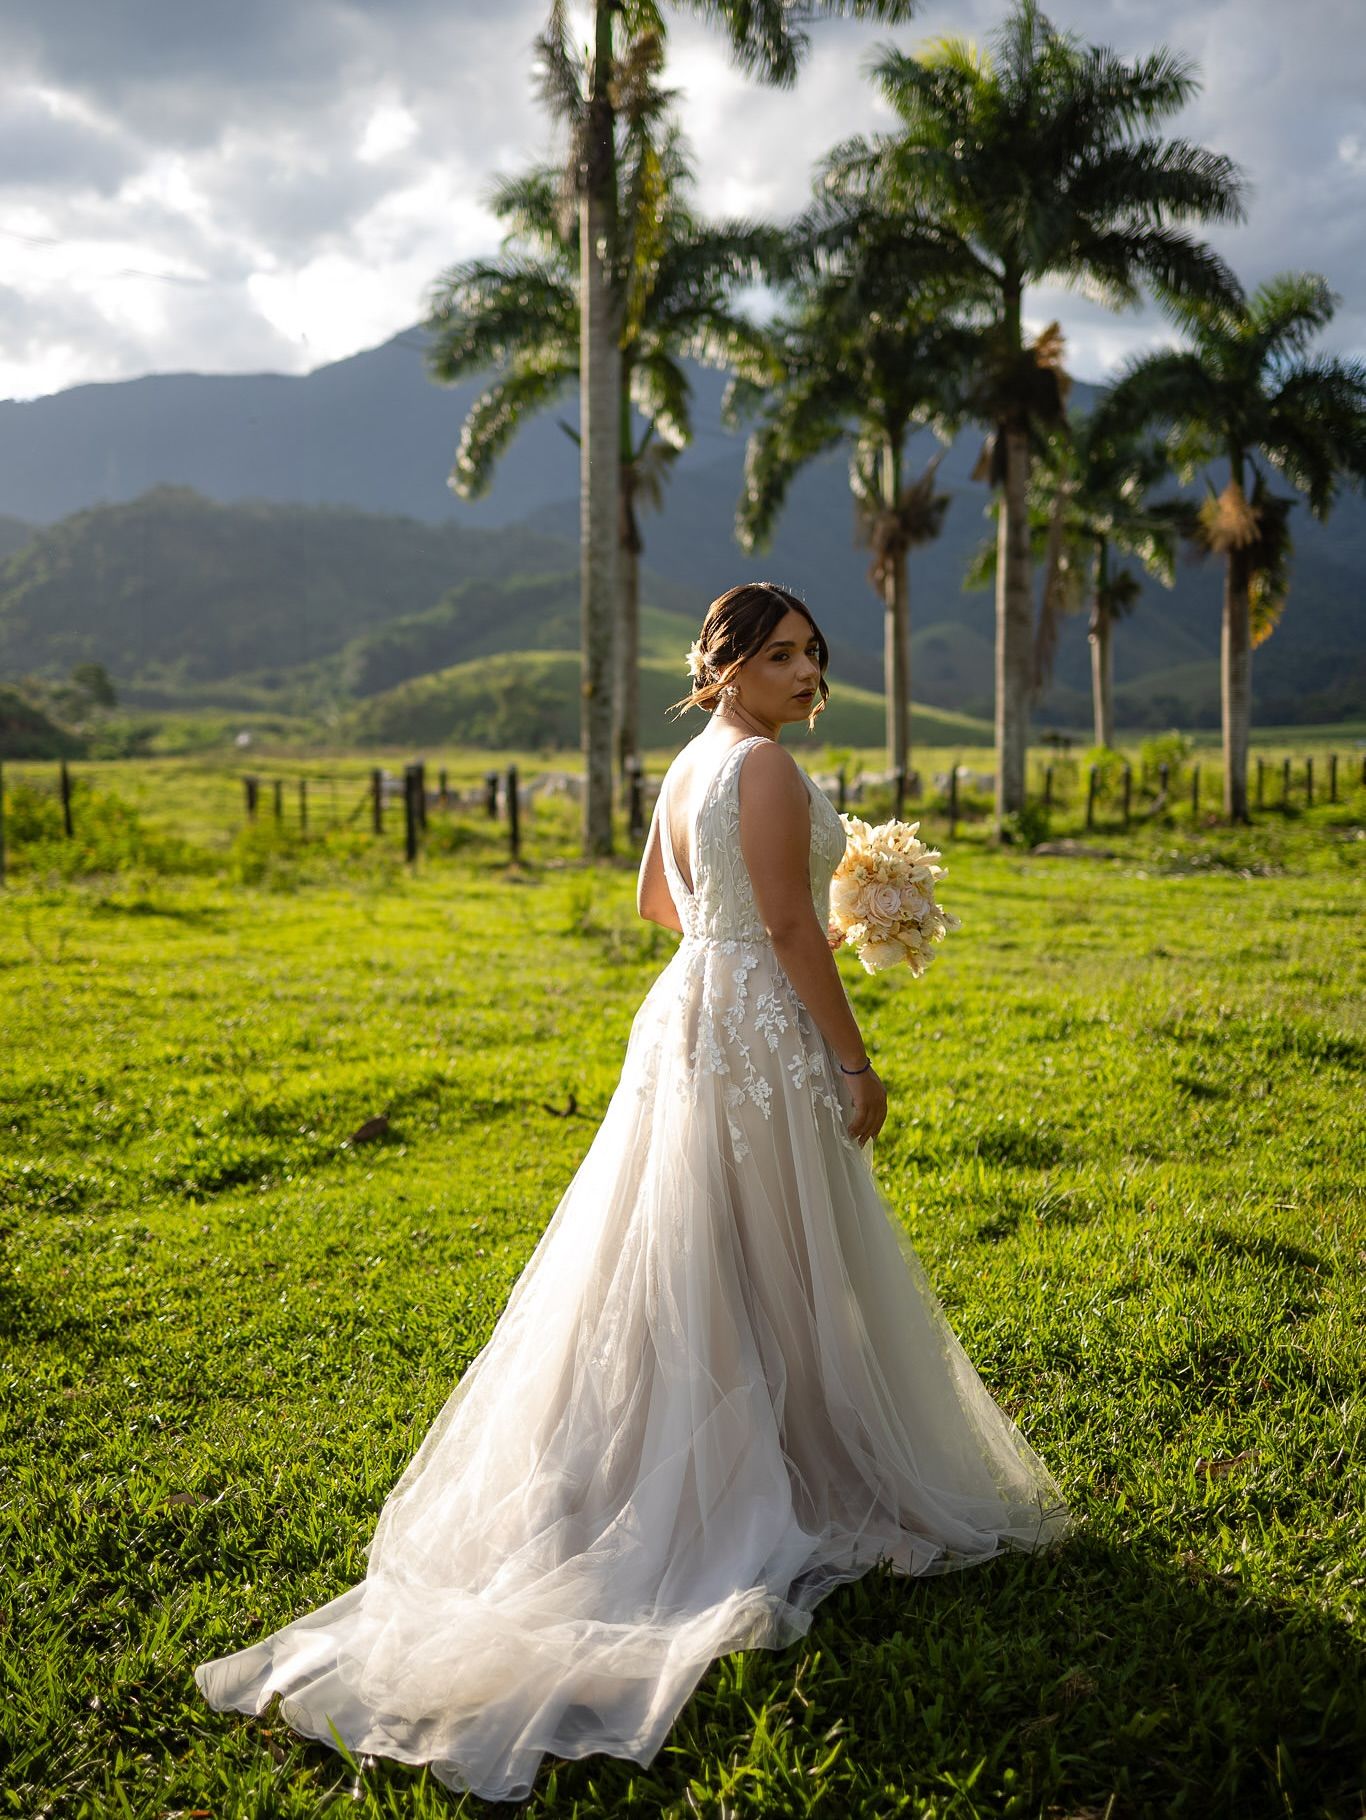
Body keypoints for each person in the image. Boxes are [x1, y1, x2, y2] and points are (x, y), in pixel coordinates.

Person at [194, 581, 1070, 1801]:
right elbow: (783, 924)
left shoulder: (690, 764)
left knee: (693, 1242)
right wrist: (852, 1056)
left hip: (686, 1013)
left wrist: (751, 931)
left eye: (813, 652)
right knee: (772, 1244)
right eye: (780, 654)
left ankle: (700, 1450)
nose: (806, 672)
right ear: (725, 666)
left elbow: (660, 903)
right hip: (753, 1023)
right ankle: (788, 1470)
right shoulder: (765, 767)